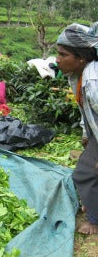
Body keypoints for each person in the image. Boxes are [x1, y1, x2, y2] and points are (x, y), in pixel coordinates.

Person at [56, 22, 98, 235]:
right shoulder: (76, 76)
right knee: (88, 168)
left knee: (85, 172)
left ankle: (95, 220)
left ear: (80, 58)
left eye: (63, 55)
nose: (57, 59)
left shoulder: (93, 82)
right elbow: (86, 111)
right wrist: (86, 133)